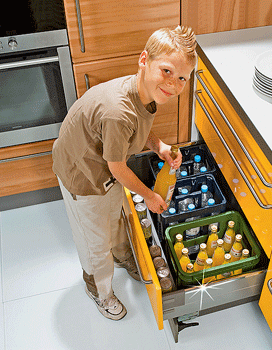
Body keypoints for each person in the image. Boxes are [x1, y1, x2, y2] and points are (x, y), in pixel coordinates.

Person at [52, 25, 197, 320]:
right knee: (95, 242)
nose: (174, 83)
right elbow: (118, 168)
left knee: (117, 219)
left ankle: (123, 257)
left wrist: (158, 145)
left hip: (103, 165)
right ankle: (98, 289)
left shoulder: (143, 92)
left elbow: (137, 128)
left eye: (182, 77)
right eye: (167, 71)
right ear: (144, 60)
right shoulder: (117, 112)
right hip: (83, 176)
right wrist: (150, 195)